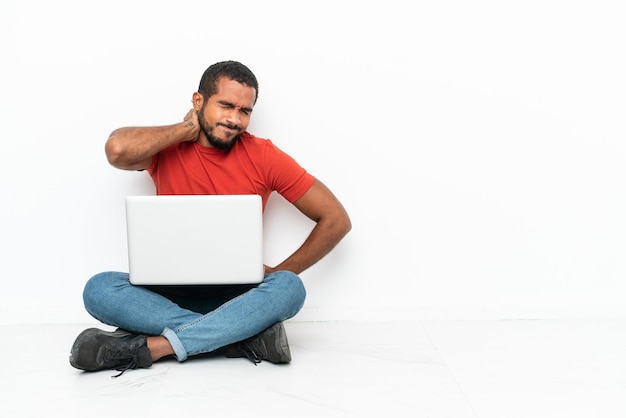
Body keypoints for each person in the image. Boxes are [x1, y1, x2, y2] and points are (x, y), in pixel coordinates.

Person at [69, 60, 351, 375]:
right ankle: (240, 337)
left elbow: (336, 219)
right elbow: (117, 149)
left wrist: (277, 272)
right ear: (199, 101)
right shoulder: (167, 146)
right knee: (98, 288)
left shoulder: (263, 156)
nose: (235, 118)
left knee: (290, 287)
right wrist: (184, 130)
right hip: (165, 293)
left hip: (237, 294)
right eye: (226, 105)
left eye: (245, 111)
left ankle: (155, 348)